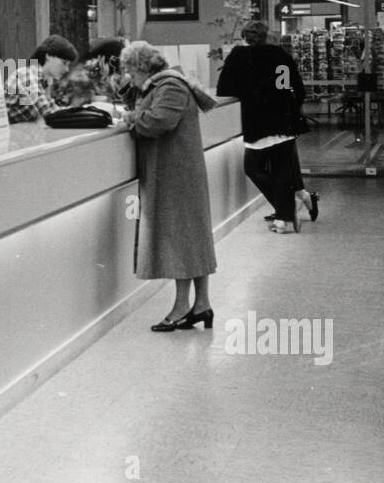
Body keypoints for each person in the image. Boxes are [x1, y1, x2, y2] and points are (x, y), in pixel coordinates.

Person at [119, 40, 219, 332]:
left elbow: (159, 121)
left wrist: (131, 118)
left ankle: (180, 308)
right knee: (192, 238)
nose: (129, 77)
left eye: (130, 71)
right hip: (179, 172)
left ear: (140, 67)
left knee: (180, 239)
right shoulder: (165, 84)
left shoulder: (170, 86)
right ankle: (201, 305)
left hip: (176, 174)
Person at [217, 20, 308, 234]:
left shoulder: (238, 56)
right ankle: (284, 215)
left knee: (253, 168)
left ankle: (285, 212)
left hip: (257, 122)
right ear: (266, 35)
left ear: (244, 36)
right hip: (284, 122)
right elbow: (296, 88)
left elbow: (224, 88)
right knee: (282, 171)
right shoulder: (280, 55)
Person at [5, 34, 77, 123]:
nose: (66, 69)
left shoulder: (42, 80)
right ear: (49, 56)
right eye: (64, 63)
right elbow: (50, 114)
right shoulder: (27, 75)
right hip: (4, 135)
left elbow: (55, 110)